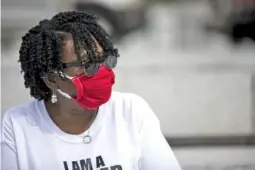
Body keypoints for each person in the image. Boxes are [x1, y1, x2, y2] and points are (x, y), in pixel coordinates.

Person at [1, 11, 182, 170]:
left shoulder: (131, 110)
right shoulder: (18, 125)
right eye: (87, 65)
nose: (102, 70)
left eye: (105, 60)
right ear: (52, 79)